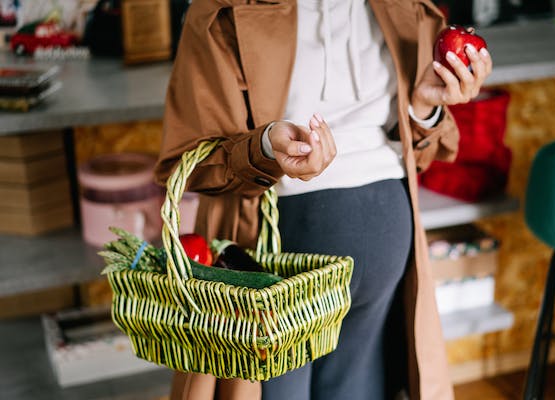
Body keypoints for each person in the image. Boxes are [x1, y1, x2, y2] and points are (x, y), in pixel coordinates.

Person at [154, 1, 493, 399]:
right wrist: (265, 146)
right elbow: (188, 162)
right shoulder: (222, 11)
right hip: (274, 269)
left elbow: (421, 151)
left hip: (386, 251)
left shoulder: (409, 7)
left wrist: (423, 108)